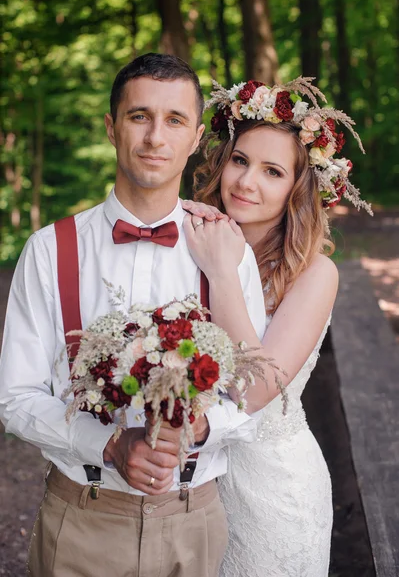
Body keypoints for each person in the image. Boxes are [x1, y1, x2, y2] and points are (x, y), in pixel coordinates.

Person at [0, 54, 267, 577]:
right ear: (111, 127)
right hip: (82, 517)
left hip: (195, 523)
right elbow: (14, 397)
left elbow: (251, 398)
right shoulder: (50, 249)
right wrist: (109, 443)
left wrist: (203, 424)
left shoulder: (227, 252)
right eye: (138, 116)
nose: (154, 138)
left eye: (174, 121)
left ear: (195, 140)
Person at [181, 77, 372, 576]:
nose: (246, 182)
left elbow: (259, 387)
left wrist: (222, 272)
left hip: (271, 489)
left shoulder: (315, 273)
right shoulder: (188, 239)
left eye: (272, 171)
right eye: (240, 161)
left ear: (297, 187)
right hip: (188, 481)